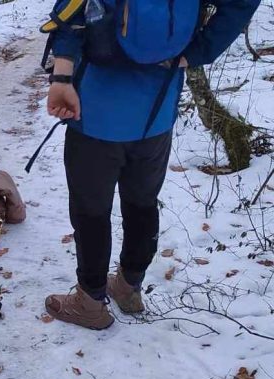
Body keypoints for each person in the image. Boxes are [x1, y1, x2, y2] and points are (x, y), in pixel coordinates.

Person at [43, 0, 260, 329]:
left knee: (91, 209)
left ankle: (90, 302)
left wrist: (61, 77)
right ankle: (129, 287)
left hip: (94, 111)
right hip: (156, 112)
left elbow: (70, 16)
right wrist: (199, 51)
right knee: (142, 202)